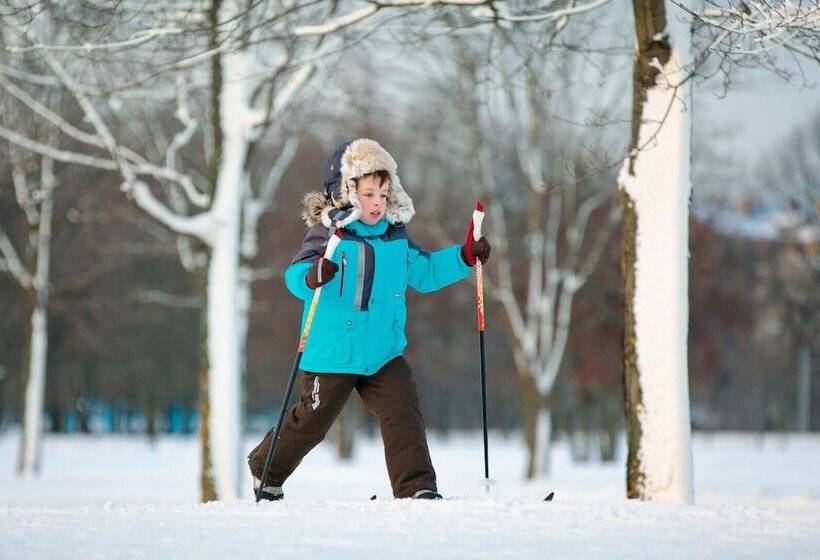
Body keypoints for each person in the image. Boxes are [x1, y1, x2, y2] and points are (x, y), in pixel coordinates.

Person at [247, 138, 490, 500]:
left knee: (402, 410)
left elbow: (424, 273)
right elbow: (295, 276)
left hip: (382, 351)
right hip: (332, 352)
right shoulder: (330, 234)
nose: (377, 203)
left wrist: (465, 256)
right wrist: (313, 275)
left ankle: (417, 488)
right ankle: (266, 469)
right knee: (311, 422)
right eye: (368, 193)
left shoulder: (395, 237)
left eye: (383, 194)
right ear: (346, 192)